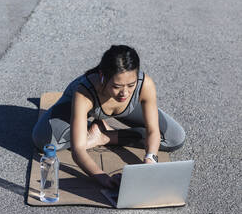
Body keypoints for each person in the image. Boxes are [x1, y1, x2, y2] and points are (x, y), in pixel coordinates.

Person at [32, 45, 186, 189]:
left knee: (175, 137)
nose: (124, 93)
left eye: (131, 85)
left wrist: (150, 158)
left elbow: (153, 131)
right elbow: (78, 150)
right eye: (117, 86)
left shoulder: (145, 84)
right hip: (77, 105)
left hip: (123, 112)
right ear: (103, 76)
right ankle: (85, 127)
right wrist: (102, 177)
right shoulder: (83, 92)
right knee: (43, 141)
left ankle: (104, 136)